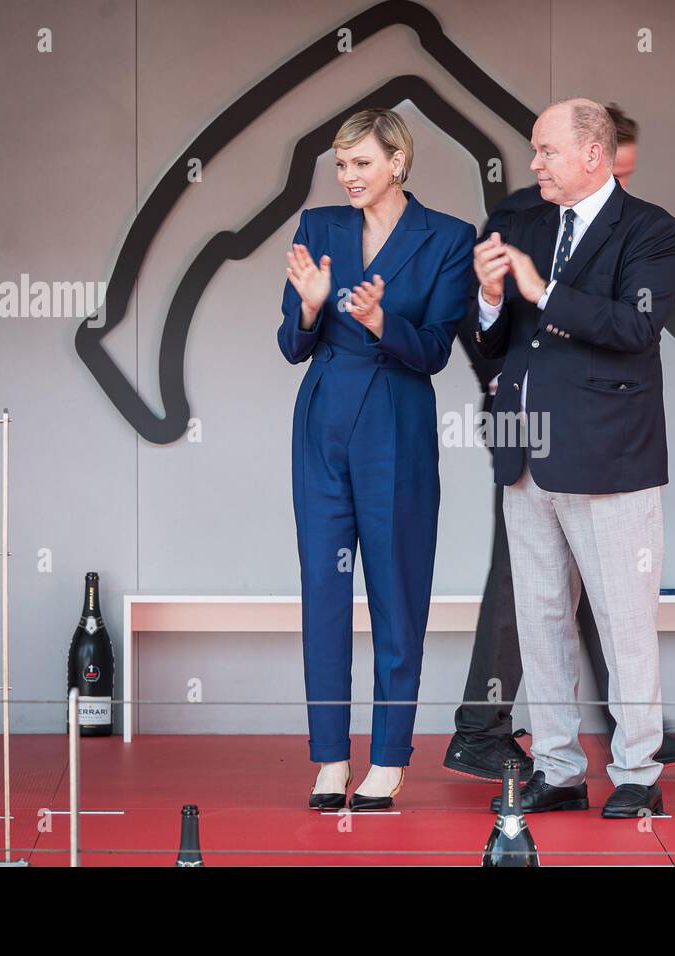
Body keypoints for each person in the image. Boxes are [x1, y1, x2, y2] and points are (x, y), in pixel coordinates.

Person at [446, 104, 675, 785]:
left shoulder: (650, 229)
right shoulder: (517, 222)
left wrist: (542, 288)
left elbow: (634, 327)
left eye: (546, 151)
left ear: (592, 155)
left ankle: (636, 778)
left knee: (625, 626)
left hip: (610, 459)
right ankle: (558, 772)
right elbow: (492, 343)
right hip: (526, 459)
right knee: (540, 627)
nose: (533, 163)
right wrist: (492, 298)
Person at [277, 108, 476, 811]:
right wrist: (309, 309)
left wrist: (379, 322)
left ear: (397, 160)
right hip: (324, 417)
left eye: (361, 162)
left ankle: (389, 758)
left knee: (397, 592)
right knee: (323, 593)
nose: (348, 176)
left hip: (397, 418)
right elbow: (291, 346)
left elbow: (435, 351)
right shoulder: (318, 227)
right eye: (340, 165)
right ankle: (330, 756)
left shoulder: (448, 238)